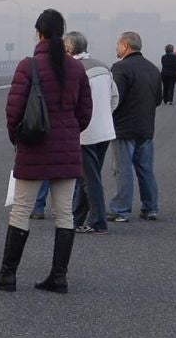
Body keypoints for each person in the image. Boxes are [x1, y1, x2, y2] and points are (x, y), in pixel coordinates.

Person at [0, 9, 91, 294]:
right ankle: (59, 277)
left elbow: (14, 110)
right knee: (64, 213)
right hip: (67, 147)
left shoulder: (28, 66)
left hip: (34, 146)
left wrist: (17, 138)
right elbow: (85, 112)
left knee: (21, 209)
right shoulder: (76, 68)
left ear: (38, 33)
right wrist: (69, 132)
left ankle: (8, 275)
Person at [33, 32, 117, 234]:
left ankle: (98, 222)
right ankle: (77, 218)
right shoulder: (104, 67)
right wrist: (104, 115)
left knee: (89, 180)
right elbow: (115, 98)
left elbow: (67, 103)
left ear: (68, 50)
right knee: (86, 177)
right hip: (105, 131)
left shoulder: (72, 70)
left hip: (84, 132)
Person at [109, 32, 162, 224]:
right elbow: (158, 98)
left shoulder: (120, 68)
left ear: (125, 46)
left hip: (123, 127)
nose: (116, 48)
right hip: (146, 126)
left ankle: (121, 210)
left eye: (118, 44)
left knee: (123, 170)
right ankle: (150, 208)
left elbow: (115, 98)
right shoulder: (153, 69)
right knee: (145, 169)